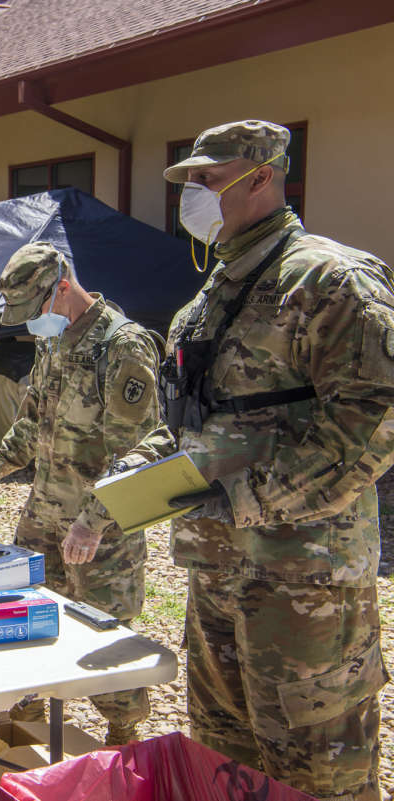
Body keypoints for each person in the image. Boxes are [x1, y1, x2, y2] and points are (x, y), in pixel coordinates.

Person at [112, 120, 392, 801]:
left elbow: (371, 422)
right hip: (216, 582)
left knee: (316, 773)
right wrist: (136, 469)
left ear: (259, 177)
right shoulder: (205, 304)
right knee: (225, 766)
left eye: (207, 180)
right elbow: (188, 425)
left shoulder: (330, 281)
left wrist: (247, 497)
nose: (194, 198)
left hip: (304, 594)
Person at [0, 242, 162, 746]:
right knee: (27, 617)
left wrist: (93, 521)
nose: (32, 324)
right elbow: (34, 422)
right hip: (43, 514)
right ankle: (29, 726)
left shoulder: (123, 348)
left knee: (103, 639)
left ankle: (124, 740)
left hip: (100, 528)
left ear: (64, 288)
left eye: (36, 311)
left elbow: (141, 452)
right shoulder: (52, 341)